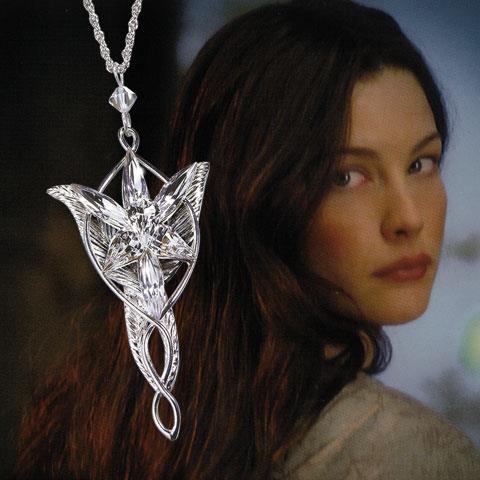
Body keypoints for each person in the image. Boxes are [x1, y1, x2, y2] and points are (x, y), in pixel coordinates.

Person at [15, 0, 480, 478]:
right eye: (346, 176)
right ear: (254, 196)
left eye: (421, 164)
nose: (408, 218)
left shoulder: (104, 418)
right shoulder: (412, 452)